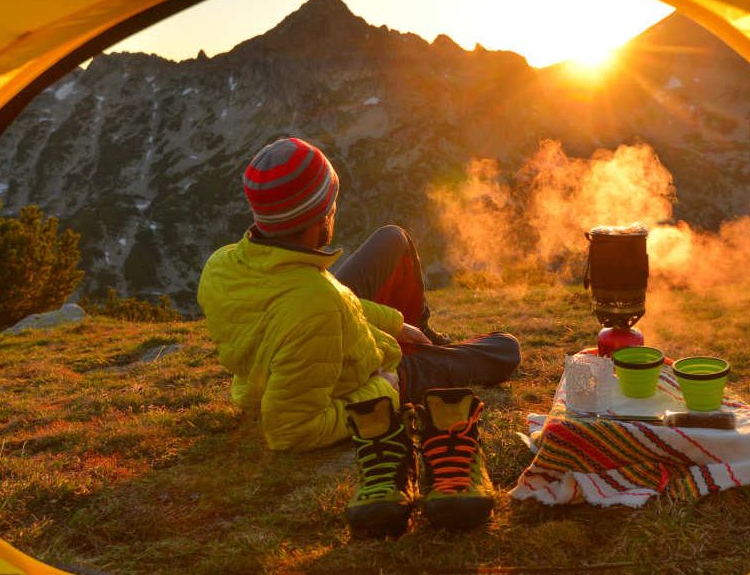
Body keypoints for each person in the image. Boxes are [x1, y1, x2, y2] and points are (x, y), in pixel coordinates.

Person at [197, 137, 520, 535]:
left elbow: (330, 302)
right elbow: (290, 430)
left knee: (393, 238)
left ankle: (428, 342)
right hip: (368, 376)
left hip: (322, 333)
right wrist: (383, 390)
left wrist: (396, 322)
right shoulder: (315, 302)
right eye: (332, 202)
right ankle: (429, 361)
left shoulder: (222, 264)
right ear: (321, 215)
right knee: (505, 350)